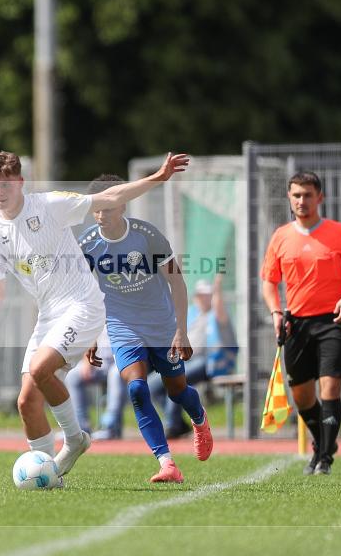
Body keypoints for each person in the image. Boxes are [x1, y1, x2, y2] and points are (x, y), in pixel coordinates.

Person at [0, 151, 189, 481]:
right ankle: (45, 474)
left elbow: (110, 196)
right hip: (49, 315)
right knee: (26, 402)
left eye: (5, 185)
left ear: (20, 183)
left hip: (83, 305)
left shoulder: (50, 205)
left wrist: (157, 178)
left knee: (41, 370)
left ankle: (75, 439)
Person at [79, 174, 212, 484]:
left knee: (177, 390)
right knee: (136, 388)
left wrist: (181, 330)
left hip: (162, 326)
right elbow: (85, 293)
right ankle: (167, 463)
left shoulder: (147, 236)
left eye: (107, 208)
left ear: (122, 204)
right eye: (96, 208)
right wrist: (90, 336)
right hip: (122, 327)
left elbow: (176, 281)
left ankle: (200, 420)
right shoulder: (87, 244)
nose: (101, 215)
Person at [261, 170, 341, 475]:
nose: (302, 201)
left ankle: (324, 459)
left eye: (308, 195)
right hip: (296, 324)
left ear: (320, 198)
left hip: (333, 321)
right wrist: (276, 313)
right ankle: (324, 443)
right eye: (296, 195)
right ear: (289, 197)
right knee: (302, 396)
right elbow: (269, 283)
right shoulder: (281, 236)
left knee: (330, 388)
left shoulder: (339, 234)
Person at [149, 274, 238, 438]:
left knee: (176, 378)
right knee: (152, 385)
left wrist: (217, 286)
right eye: (201, 295)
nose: (204, 299)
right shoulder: (190, 314)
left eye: (208, 295)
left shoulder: (217, 315)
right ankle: (179, 423)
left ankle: (172, 425)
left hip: (209, 362)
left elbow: (218, 306)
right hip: (186, 359)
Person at [64, 329, 125, 441]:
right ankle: (81, 429)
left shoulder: (123, 315)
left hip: (120, 362)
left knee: (115, 374)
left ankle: (110, 427)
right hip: (100, 363)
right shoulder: (97, 314)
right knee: (73, 375)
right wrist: (87, 361)